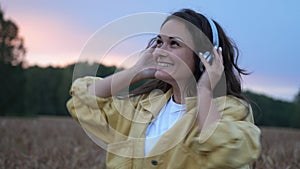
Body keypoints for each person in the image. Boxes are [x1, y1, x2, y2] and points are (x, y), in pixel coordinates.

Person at [67, 9, 261, 169]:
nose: (160, 51)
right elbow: (83, 100)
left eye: (174, 43)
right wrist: (136, 71)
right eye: (160, 42)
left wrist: (204, 91)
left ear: (205, 58)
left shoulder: (231, 110)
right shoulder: (143, 106)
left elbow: (227, 151)